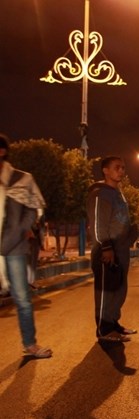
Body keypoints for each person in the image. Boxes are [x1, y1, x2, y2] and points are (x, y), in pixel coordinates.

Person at [0, 133, 52, 358]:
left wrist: (17, 233)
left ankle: (30, 344)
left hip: (14, 249)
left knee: (22, 298)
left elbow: (32, 211)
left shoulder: (22, 179)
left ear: (2, 152)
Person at [87, 156, 137, 342]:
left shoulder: (117, 193)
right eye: (117, 167)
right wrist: (106, 247)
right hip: (106, 252)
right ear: (105, 171)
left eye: (123, 168)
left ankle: (113, 323)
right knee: (106, 292)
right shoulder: (100, 194)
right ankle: (104, 330)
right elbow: (98, 224)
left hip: (121, 250)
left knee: (119, 290)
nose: (121, 171)